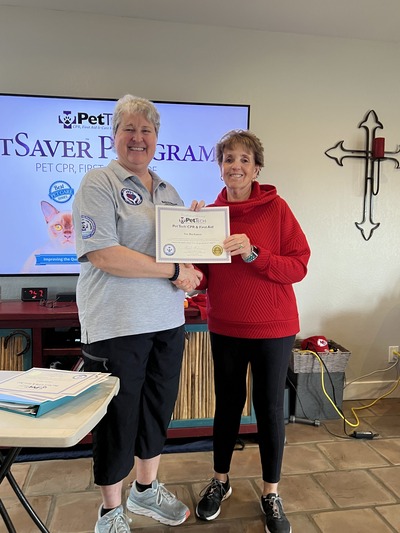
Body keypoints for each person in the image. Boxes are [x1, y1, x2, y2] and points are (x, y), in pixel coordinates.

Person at [72, 94, 203, 533]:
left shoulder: (168, 190)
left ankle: (145, 490)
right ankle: (110, 511)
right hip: (117, 325)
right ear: (114, 135)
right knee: (117, 417)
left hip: (168, 321)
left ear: (156, 138)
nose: (138, 137)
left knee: (156, 409)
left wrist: (196, 235)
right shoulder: (99, 183)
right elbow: (104, 254)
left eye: (146, 130)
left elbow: (179, 256)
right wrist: (173, 270)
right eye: (129, 128)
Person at [194, 130, 310, 533]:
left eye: (244, 159)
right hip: (226, 325)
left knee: (270, 408)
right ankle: (220, 481)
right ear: (220, 167)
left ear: (257, 168)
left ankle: (271, 492)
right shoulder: (210, 215)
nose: (236, 166)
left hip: (274, 327)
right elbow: (203, 277)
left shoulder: (277, 209)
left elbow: (299, 265)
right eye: (228, 158)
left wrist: (254, 253)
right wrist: (187, 246)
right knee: (227, 404)